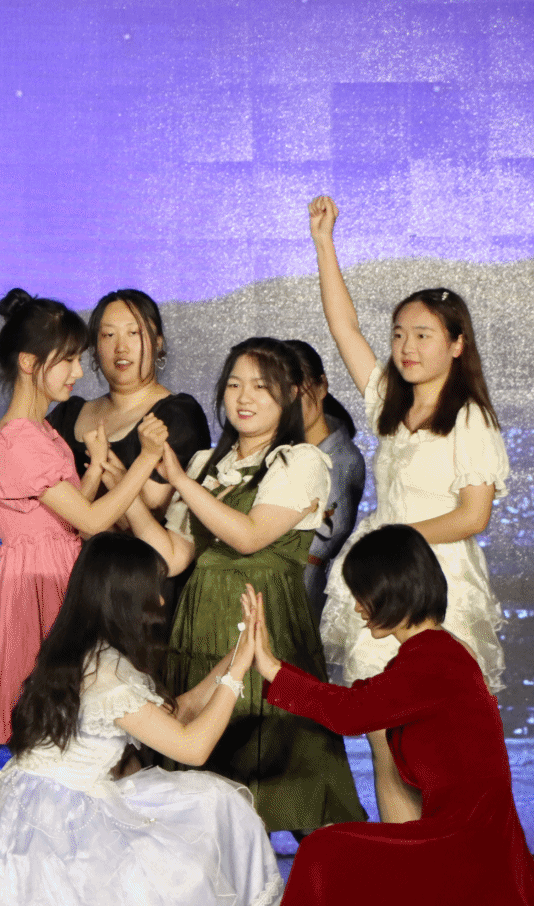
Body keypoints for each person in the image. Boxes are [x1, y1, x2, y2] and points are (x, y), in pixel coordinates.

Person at [0, 536, 281, 906]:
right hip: (60, 817)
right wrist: (239, 672)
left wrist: (236, 655)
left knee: (213, 801)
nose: (161, 601)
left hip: (44, 801)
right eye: (153, 589)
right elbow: (192, 748)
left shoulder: (85, 651)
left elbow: (173, 715)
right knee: (214, 806)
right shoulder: (107, 673)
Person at [250, 526, 534, 906]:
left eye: (363, 596)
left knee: (322, 850)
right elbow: (364, 700)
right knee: (332, 849)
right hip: (460, 836)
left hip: (465, 843)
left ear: (392, 591)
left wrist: (271, 667)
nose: (358, 609)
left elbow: (351, 713)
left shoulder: (434, 661)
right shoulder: (432, 655)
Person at [308, 195, 510, 824]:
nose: (406, 346)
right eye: (399, 334)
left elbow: (473, 515)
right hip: (383, 577)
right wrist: (324, 245)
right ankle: (403, 854)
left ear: (457, 344)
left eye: (423, 335)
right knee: (382, 737)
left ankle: (446, 853)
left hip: (437, 580)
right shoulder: (389, 406)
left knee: (434, 741)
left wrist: (396, 539)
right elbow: (345, 330)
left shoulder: (469, 418)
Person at [128, 338, 366, 836]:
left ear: (290, 395)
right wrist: (128, 484)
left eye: (261, 386)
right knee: (205, 775)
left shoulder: (300, 461)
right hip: (201, 626)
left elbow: (250, 535)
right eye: (234, 384)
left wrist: (179, 480)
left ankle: (336, 881)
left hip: (265, 625)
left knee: (291, 767)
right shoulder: (204, 464)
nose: (244, 397)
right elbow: (175, 555)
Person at [0, 290, 162, 747]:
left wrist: (93, 469)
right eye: (68, 360)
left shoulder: (38, 431)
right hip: (39, 586)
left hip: (57, 577)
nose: (79, 371)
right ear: (29, 363)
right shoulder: (18, 439)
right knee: (51, 724)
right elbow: (91, 521)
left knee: (72, 723)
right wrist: (146, 459)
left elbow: (65, 516)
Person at [47, 288, 210, 494]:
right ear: (95, 348)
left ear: (158, 342)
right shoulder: (66, 413)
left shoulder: (179, 414)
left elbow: (157, 504)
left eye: (134, 333)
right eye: (109, 335)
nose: (121, 347)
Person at [282, 338, 365, 620]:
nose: (288, 402)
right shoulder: (287, 446)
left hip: (298, 596)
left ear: (321, 386)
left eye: (297, 390)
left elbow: (318, 543)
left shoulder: (341, 460)